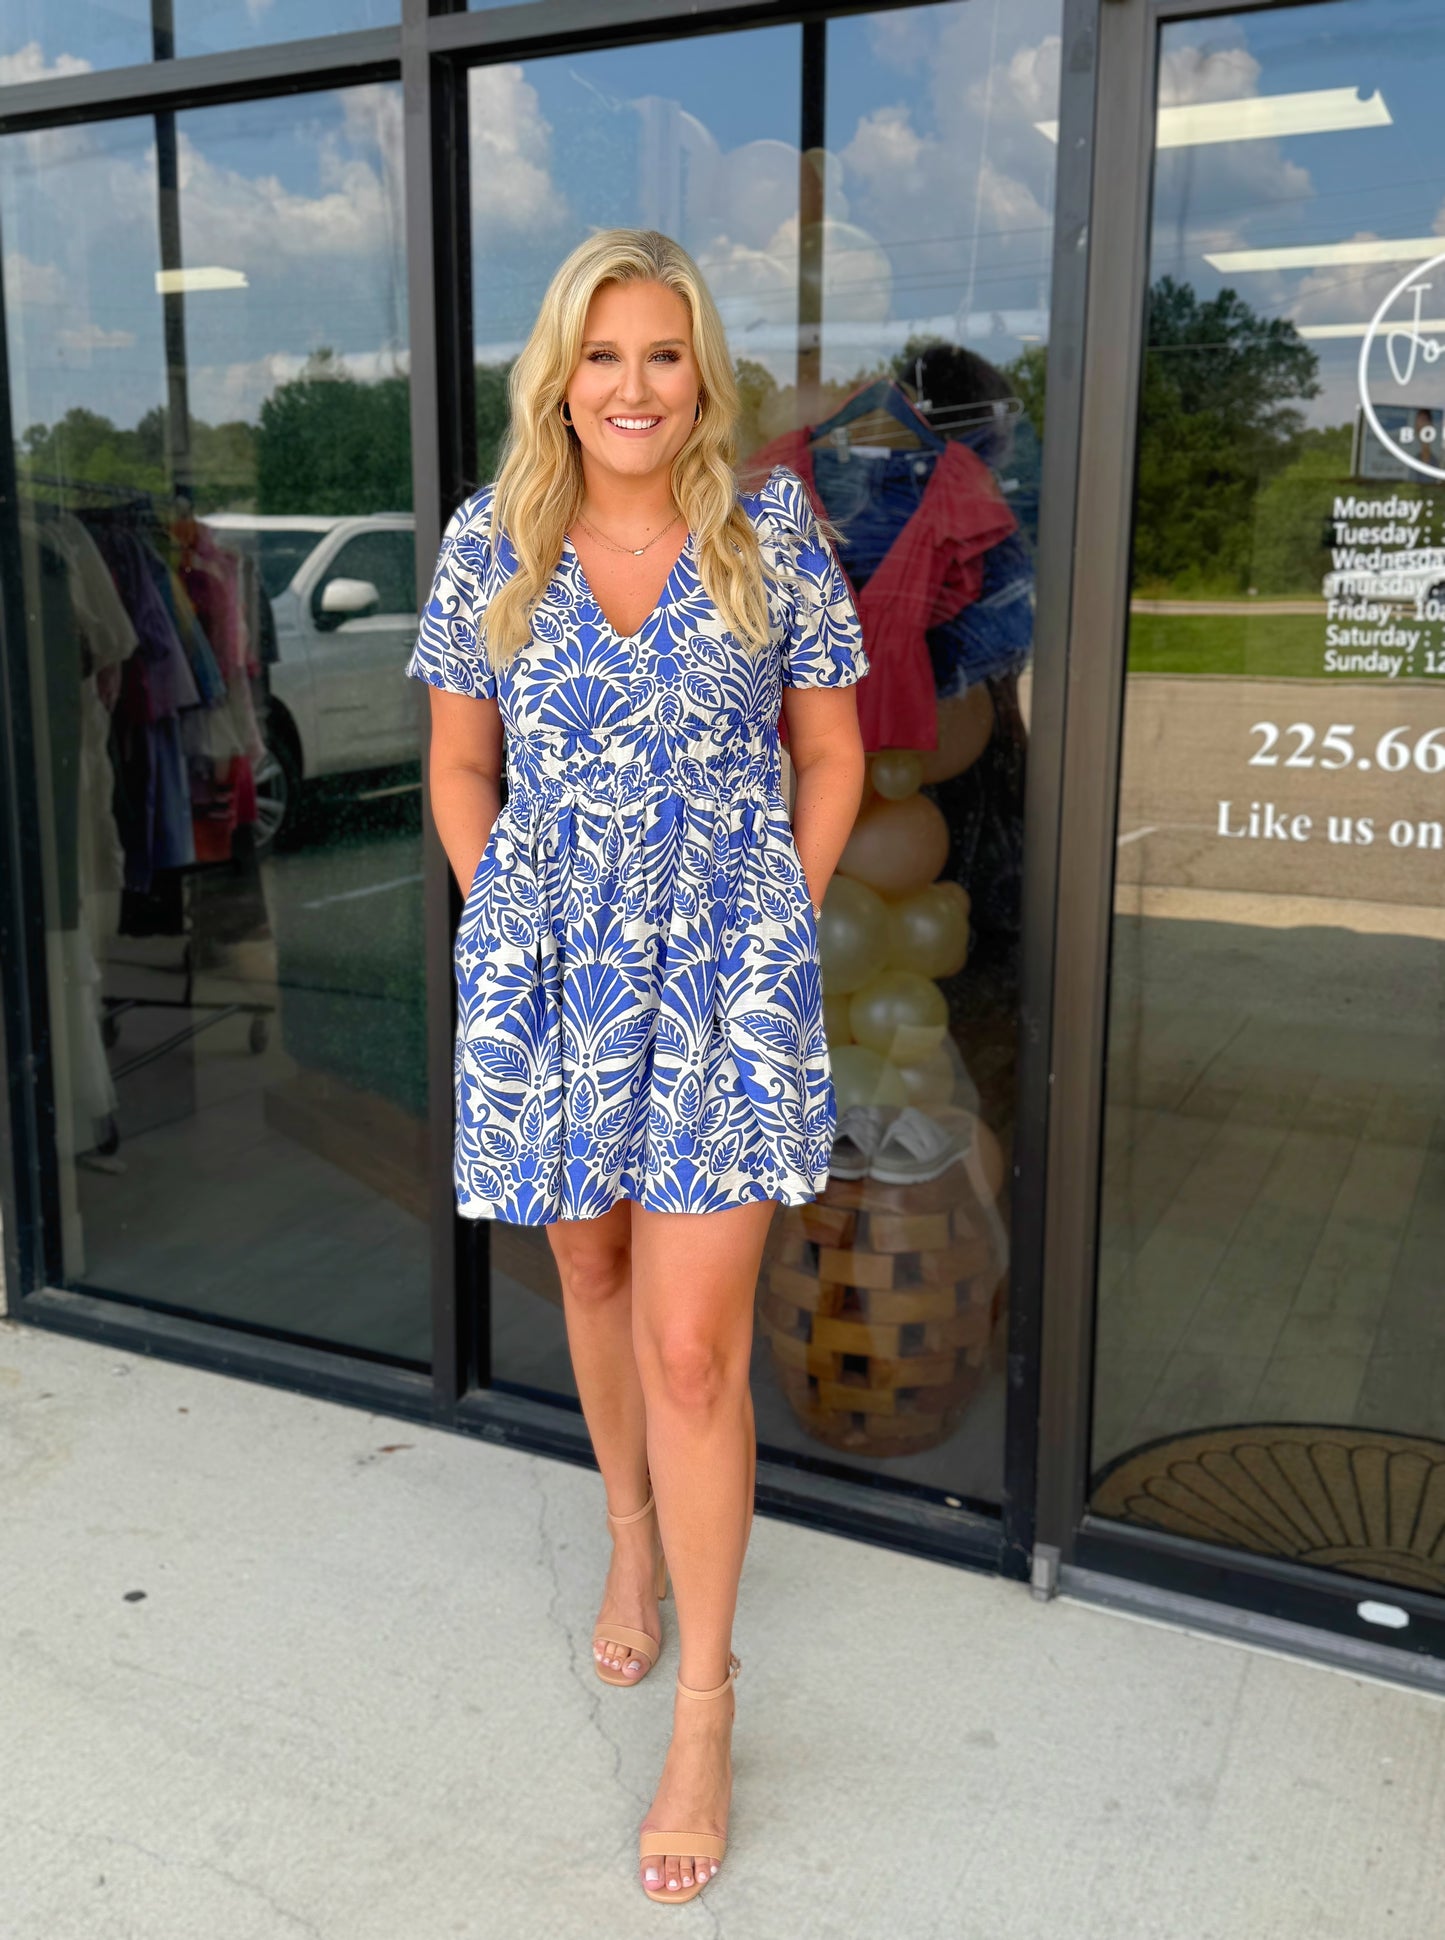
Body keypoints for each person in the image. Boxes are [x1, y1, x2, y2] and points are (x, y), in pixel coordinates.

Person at [406, 227, 869, 1904]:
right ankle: (628, 1545)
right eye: (601, 357)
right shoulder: (492, 541)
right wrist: (513, 919)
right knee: (587, 1265)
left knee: (692, 1349)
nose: (630, 388)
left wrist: (772, 924)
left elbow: (831, 747)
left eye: (661, 356)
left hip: (724, 981)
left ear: (702, 376)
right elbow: (462, 764)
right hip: (552, 977)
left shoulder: (770, 533)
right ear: (559, 375)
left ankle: (705, 1705)